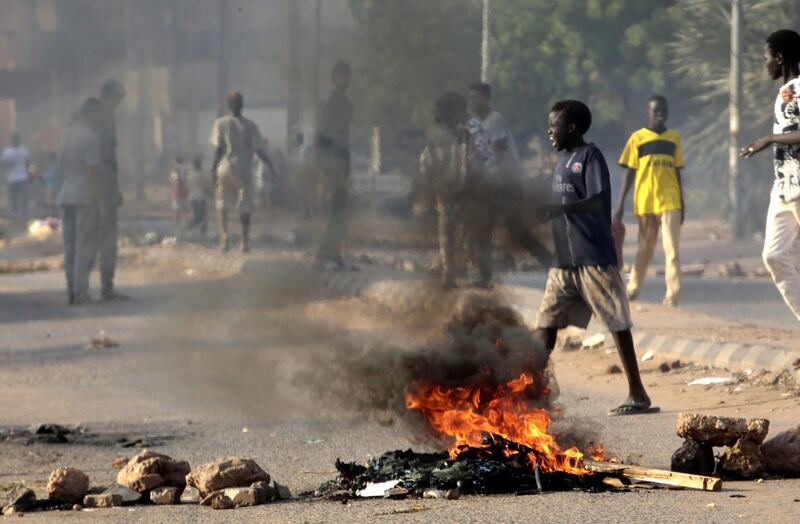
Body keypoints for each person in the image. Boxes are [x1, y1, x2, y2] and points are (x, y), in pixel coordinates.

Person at [535, 100, 656, 416]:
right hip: (563, 261)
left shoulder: (590, 157)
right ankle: (530, 390)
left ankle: (638, 394)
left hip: (593, 258)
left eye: (554, 125)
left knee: (616, 322)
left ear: (571, 127)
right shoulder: (561, 162)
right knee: (545, 325)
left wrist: (562, 209)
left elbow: (598, 200)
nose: (550, 131)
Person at [741, 29, 800, 321]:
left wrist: (770, 140)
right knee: (774, 256)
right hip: (783, 187)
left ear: (779, 57)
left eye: (766, 58)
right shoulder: (786, 90)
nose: (764, 64)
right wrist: (765, 142)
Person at [469, 82, 551, 268]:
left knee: (510, 228)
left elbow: (498, 149)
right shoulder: (479, 124)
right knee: (495, 226)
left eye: (476, 97)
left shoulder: (494, 120)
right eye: (471, 97)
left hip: (507, 182)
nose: (473, 102)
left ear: (487, 99)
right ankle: (486, 266)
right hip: (496, 182)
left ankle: (546, 259)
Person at [419, 91, 496, 289]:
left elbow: (425, 170)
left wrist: (427, 196)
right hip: (467, 194)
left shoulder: (433, 143)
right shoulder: (467, 137)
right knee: (470, 236)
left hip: (444, 196)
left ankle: (449, 275)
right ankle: (476, 274)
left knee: (446, 236)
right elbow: (475, 163)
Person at [615, 95, 685, 307]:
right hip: (645, 201)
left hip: (670, 200)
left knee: (671, 248)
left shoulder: (674, 138)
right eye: (656, 111)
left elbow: (677, 172)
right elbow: (629, 173)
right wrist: (620, 205)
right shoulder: (638, 138)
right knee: (645, 248)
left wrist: (683, 203)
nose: (660, 114)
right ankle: (633, 288)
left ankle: (672, 294)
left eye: (664, 110)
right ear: (649, 111)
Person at [210, 90, 275, 253]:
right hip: (244, 170)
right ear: (242, 105)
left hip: (225, 168)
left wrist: (213, 168)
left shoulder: (220, 123)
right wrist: (270, 165)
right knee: (245, 207)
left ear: (228, 105)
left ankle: (224, 239)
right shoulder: (251, 125)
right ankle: (244, 242)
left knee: (222, 204)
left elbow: (219, 149)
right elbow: (259, 150)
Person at [57, 98, 102, 305]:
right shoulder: (90, 137)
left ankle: (70, 290)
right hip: (84, 196)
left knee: (69, 245)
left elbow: (60, 166)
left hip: (65, 194)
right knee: (84, 245)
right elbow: (92, 170)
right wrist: (97, 196)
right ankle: (80, 292)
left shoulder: (65, 135)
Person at [315, 61, 354, 269]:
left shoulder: (348, 105)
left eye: (347, 75)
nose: (345, 79)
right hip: (332, 163)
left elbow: (345, 136)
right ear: (334, 78)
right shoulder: (331, 104)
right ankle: (324, 254)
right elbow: (321, 136)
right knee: (334, 211)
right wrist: (325, 168)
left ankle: (335, 253)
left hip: (342, 161)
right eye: (341, 75)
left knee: (340, 211)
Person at [95, 78, 127, 301]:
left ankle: (79, 288)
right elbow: (107, 158)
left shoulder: (89, 115)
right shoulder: (106, 118)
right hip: (103, 186)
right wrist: (112, 189)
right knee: (108, 236)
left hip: (88, 185)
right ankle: (107, 286)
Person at [1, 133, 31, 222]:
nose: (16, 141)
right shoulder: (7, 151)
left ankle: (22, 217)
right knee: (13, 199)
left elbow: (29, 163)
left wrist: (32, 175)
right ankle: (15, 217)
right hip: (13, 179)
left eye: (17, 140)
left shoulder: (24, 150)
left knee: (22, 199)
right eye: (15, 140)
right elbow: (3, 164)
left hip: (21, 178)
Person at [185, 155, 210, 238]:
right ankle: (190, 229)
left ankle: (192, 230)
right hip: (200, 198)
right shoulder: (201, 174)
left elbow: (187, 186)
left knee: (198, 217)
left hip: (192, 198)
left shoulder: (190, 174)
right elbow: (205, 186)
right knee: (201, 217)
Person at [169, 155, 189, 226]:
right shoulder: (184, 170)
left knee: (177, 210)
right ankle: (182, 225)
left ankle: (178, 225)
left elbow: (173, 183)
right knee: (183, 210)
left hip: (177, 194)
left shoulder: (174, 171)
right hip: (182, 193)